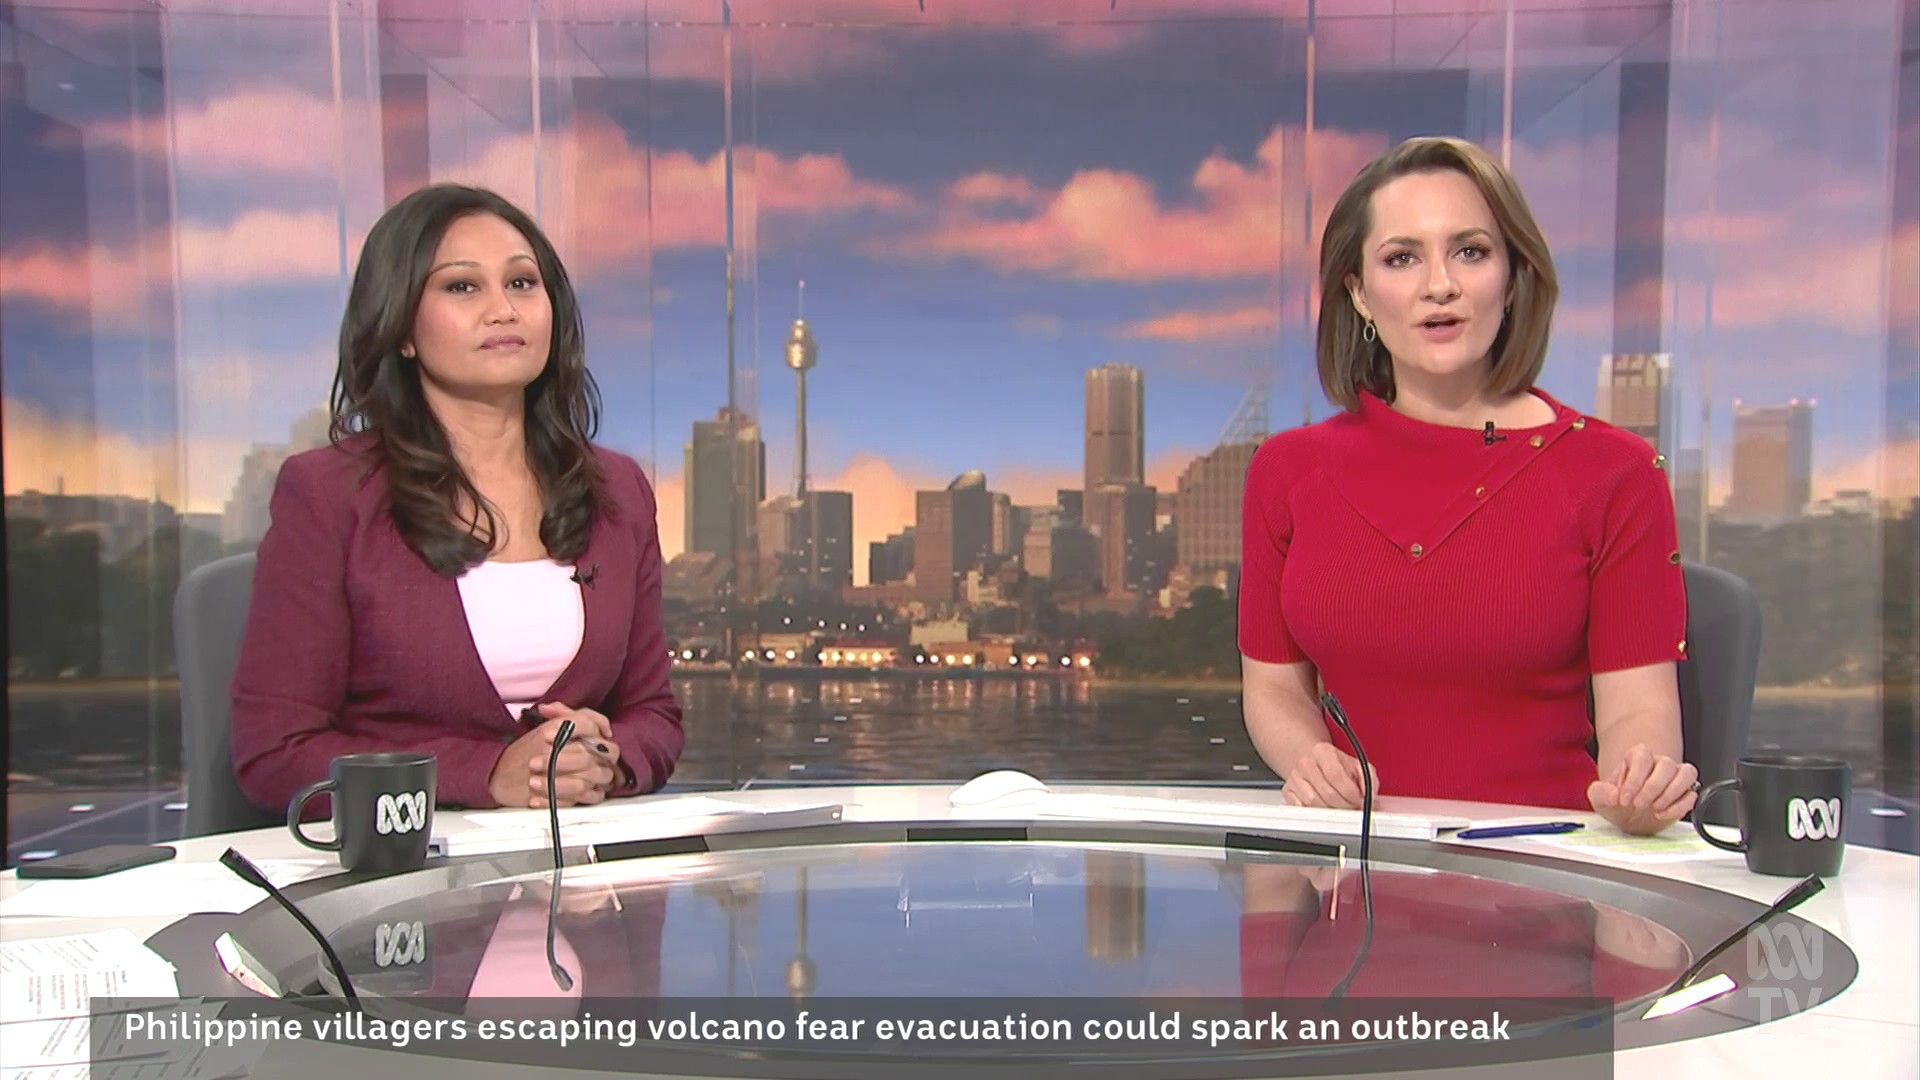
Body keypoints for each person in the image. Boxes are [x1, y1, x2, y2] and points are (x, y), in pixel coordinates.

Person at [1238, 137, 1695, 836]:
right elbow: (1273, 688)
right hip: (1354, 866)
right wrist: (1308, 759)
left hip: (1546, 864)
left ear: (1512, 280)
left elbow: (1639, 711)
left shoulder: (1614, 473)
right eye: (1402, 258)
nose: (1440, 285)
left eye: (1471, 252)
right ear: (1358, 294)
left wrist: (1640, 784)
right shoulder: (1287, 471)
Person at [231, 183, 683, 815]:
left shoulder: (618, 490)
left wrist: (602, 760)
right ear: (402, 329)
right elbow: (276, 752)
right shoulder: (329, 494)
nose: (503, 310)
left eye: (522, 283)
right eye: (463, 287)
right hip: (406, 864)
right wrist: (487, 775)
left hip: (579, 862)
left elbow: (653, 715)